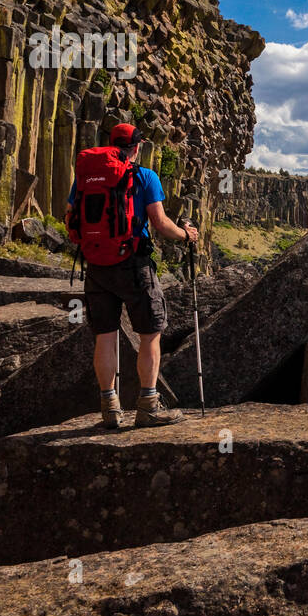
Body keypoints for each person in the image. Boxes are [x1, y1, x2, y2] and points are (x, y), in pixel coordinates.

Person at [66, 123, 199, 428]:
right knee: (150, 333)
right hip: (134, 265)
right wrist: (186, 235)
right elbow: (161, 223)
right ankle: (149, 405)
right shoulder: (144, 176)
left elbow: (70, 216)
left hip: (97, 265)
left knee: (105, 335)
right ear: (137, 147)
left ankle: (110, 407)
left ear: (111, 145)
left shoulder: (86, 177)